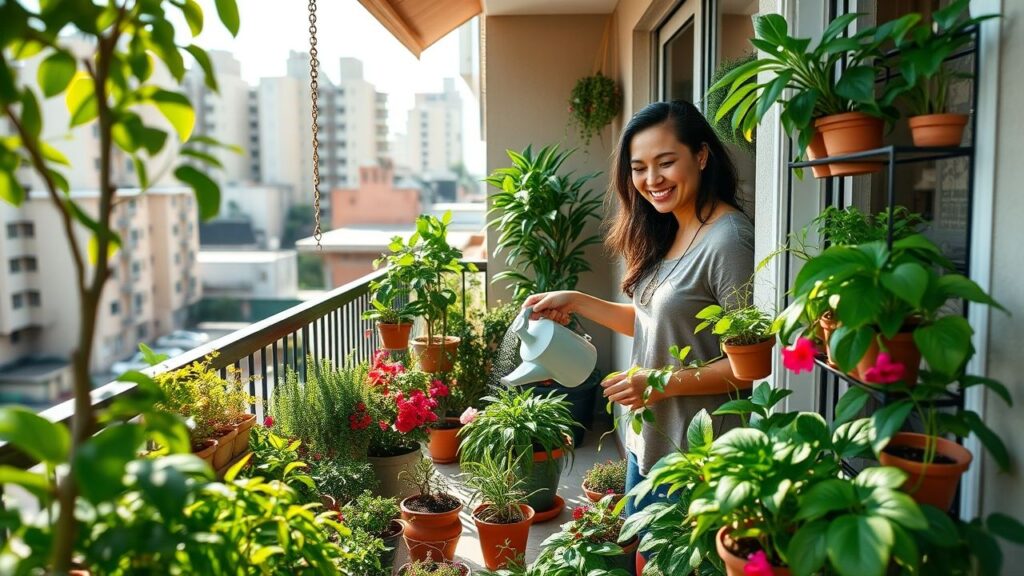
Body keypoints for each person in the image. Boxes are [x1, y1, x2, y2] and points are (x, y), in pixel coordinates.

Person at [523, 100, 755, 519]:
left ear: (701, 156)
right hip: (648, 441)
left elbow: (750, 365)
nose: (652, 180)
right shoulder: (669, 228)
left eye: (666, 162)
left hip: (696, 460)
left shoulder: (729, 241)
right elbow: (657, 323)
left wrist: (661, 384)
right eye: (639, 168)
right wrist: (577, 300)